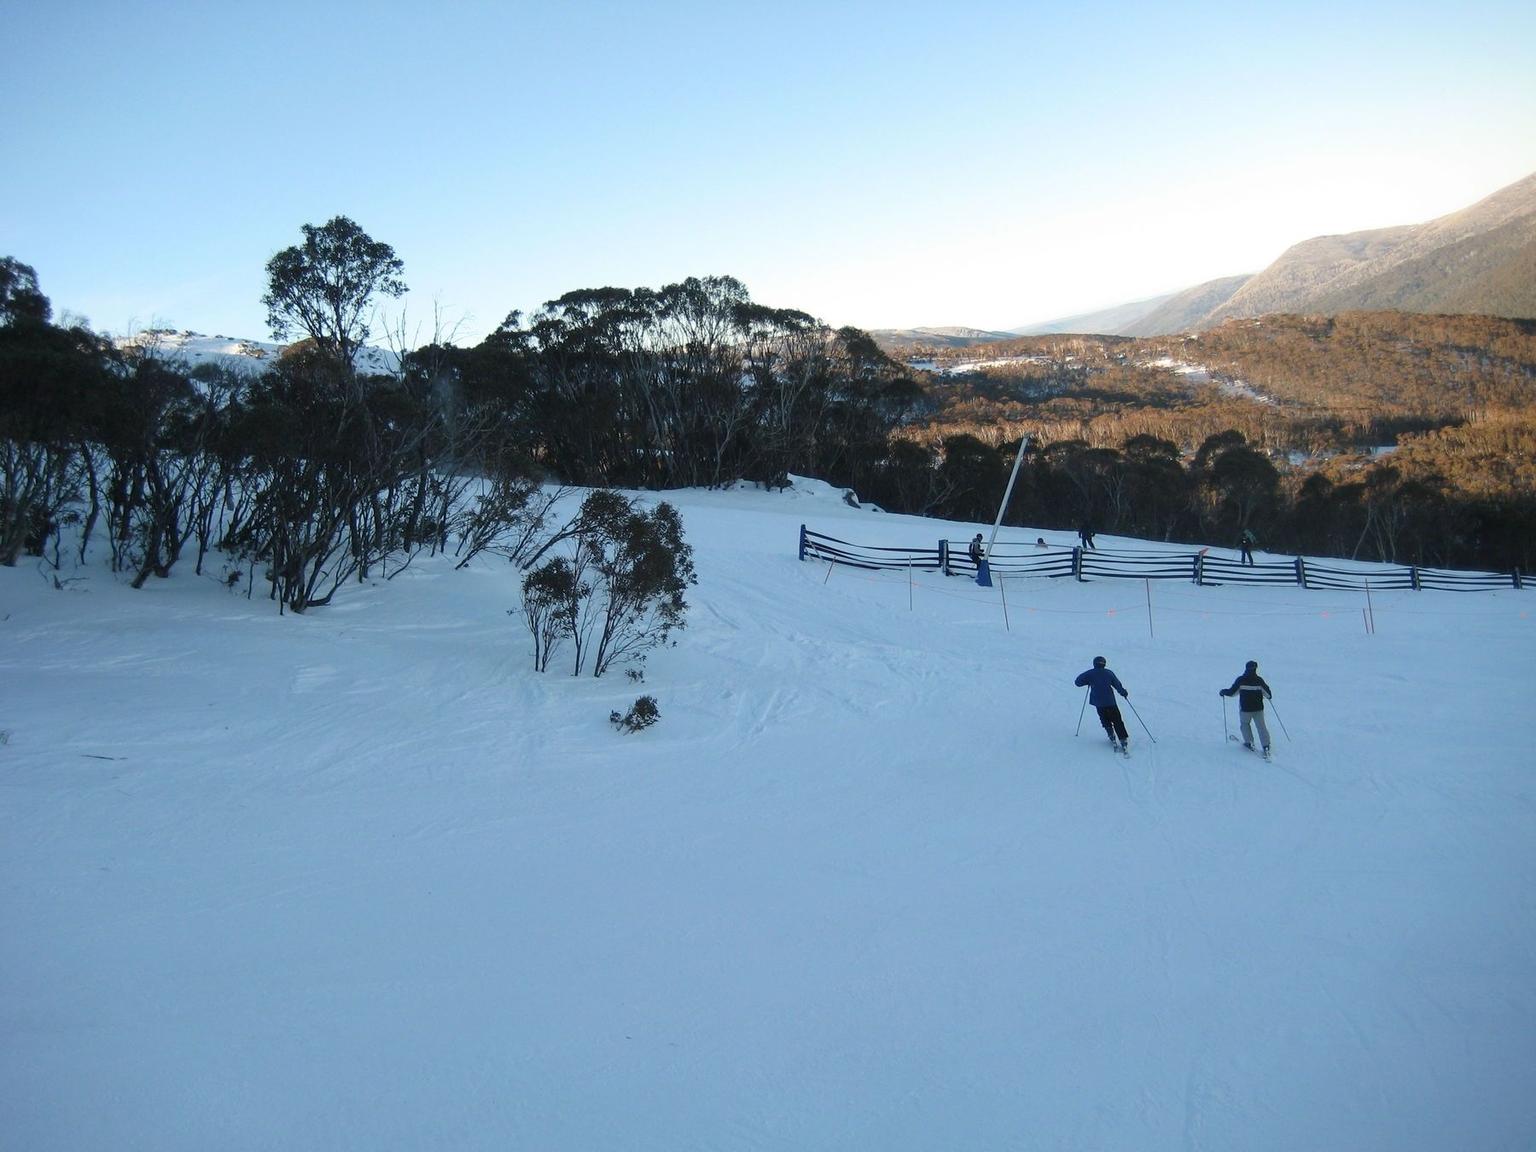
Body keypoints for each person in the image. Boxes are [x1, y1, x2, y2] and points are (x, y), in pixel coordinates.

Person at [1075, 655, 1130, 752]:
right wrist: (1123, 693)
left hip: (1098, 702)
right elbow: (1117, 685)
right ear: (1104, 664)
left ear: (1094, 664)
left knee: (1104, 719)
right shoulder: (1109, 673)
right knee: (1117, 720)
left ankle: (1111, 735)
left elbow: (1077, 682)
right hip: (1110, 702)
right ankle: (1123, 739)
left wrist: (1087, 681)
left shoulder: (1090, 673)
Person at [1220, 660, 1273, 756]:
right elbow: (1268, 695)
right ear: (1256, 668)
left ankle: (1249, 743)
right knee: (1261, 727)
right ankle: (1266, 746)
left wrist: (1223, 692)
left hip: (1245, 709)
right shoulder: (1259, 680)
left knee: (1245, 724)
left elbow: (1232, 692)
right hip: (1258, 709)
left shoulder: (1241, 680)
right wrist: (1268, 695)